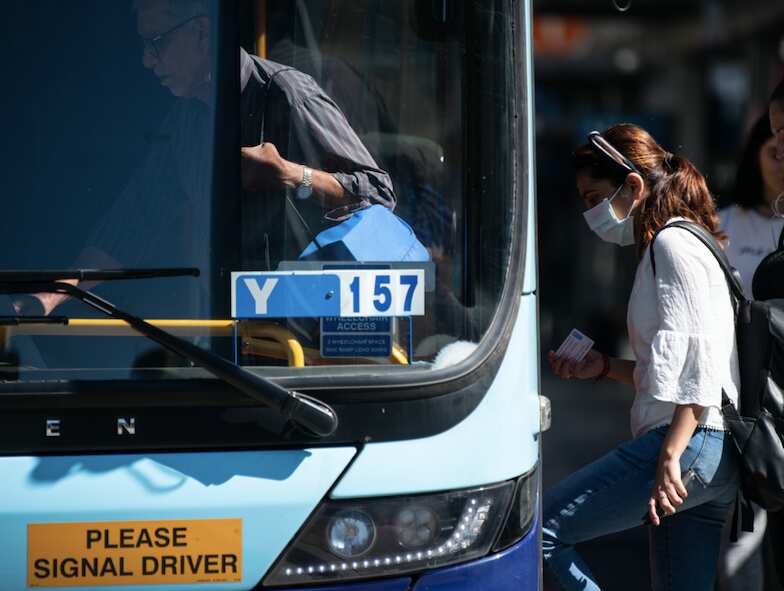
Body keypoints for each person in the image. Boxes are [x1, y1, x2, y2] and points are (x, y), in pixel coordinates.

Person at [22, 0, 395, 317]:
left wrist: (293, 174)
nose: (147, 61)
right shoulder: (186, 119)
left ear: (202, 33)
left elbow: (379, 195)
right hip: (229, 340)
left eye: (157, 43)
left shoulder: (286, 93)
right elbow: (134, 218)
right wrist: (51, 296)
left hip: (305, 343)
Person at [544, 124, 740, 591]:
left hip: (689, 442)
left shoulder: (672, 244)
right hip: (707, 447)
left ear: (633, 185)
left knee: (544, 531)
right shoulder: (682, 243)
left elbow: (700, 357)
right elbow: (673, 370)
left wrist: (671, 452)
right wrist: (606, 366)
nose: (590, 212)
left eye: (594, 197)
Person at [714, 114, 784, 591]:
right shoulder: (726, 224)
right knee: (742, 540)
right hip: (745, 400)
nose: (782, 163)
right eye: (773, 152)